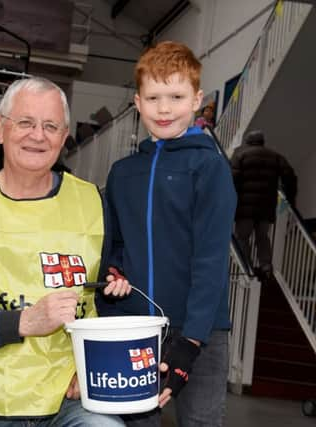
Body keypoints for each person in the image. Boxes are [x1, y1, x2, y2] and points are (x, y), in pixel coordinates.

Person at [0, 77, 130, 426]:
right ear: (0, 128)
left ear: (63, 138)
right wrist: (23, 322)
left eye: (50, 126)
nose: (37, 135)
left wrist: (96, 367)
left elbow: (111, 300)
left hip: (69, 398)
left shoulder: (93, 202)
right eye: (26, 123)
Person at [102, 41, 237, 427]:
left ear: (197, 100)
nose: (164, 108)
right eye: (154, 97)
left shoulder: (209, 168)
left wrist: (192, 340)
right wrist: (115, 273)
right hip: (135, 329)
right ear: (137, 102)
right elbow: (116, 246)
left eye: (176, 96)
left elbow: (211, 259)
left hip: (201, 330)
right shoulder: (122, 173)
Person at [231, 129, 297, 280]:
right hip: (266, 207)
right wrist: (290, 198)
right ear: (262, 141)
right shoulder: (275, 156)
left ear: (248, 142)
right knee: (262, 237)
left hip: (244, 208)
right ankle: (266, 266)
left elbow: (232, 181)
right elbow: (290, 176)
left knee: (242, 237)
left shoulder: (240, 156)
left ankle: (247, 267)